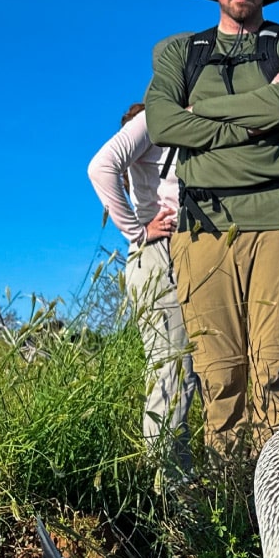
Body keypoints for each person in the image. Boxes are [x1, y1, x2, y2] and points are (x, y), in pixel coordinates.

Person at [144, 0, 279, 453]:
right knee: (218, 373)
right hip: (202, 226)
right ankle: (229, 492)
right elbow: (162, 123)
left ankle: (278, 490)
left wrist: (199, 113)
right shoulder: (178, 50)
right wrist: (252, 123)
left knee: (275, 370)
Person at [87, 56, 198, 466]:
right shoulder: (154, 119)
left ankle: (182, 478)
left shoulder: (190, 122)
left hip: (182, 255)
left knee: (185, 370)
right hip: (158, 256)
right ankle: (167, 484)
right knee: (173, 371)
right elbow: (101, 167)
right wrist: (137, 231)